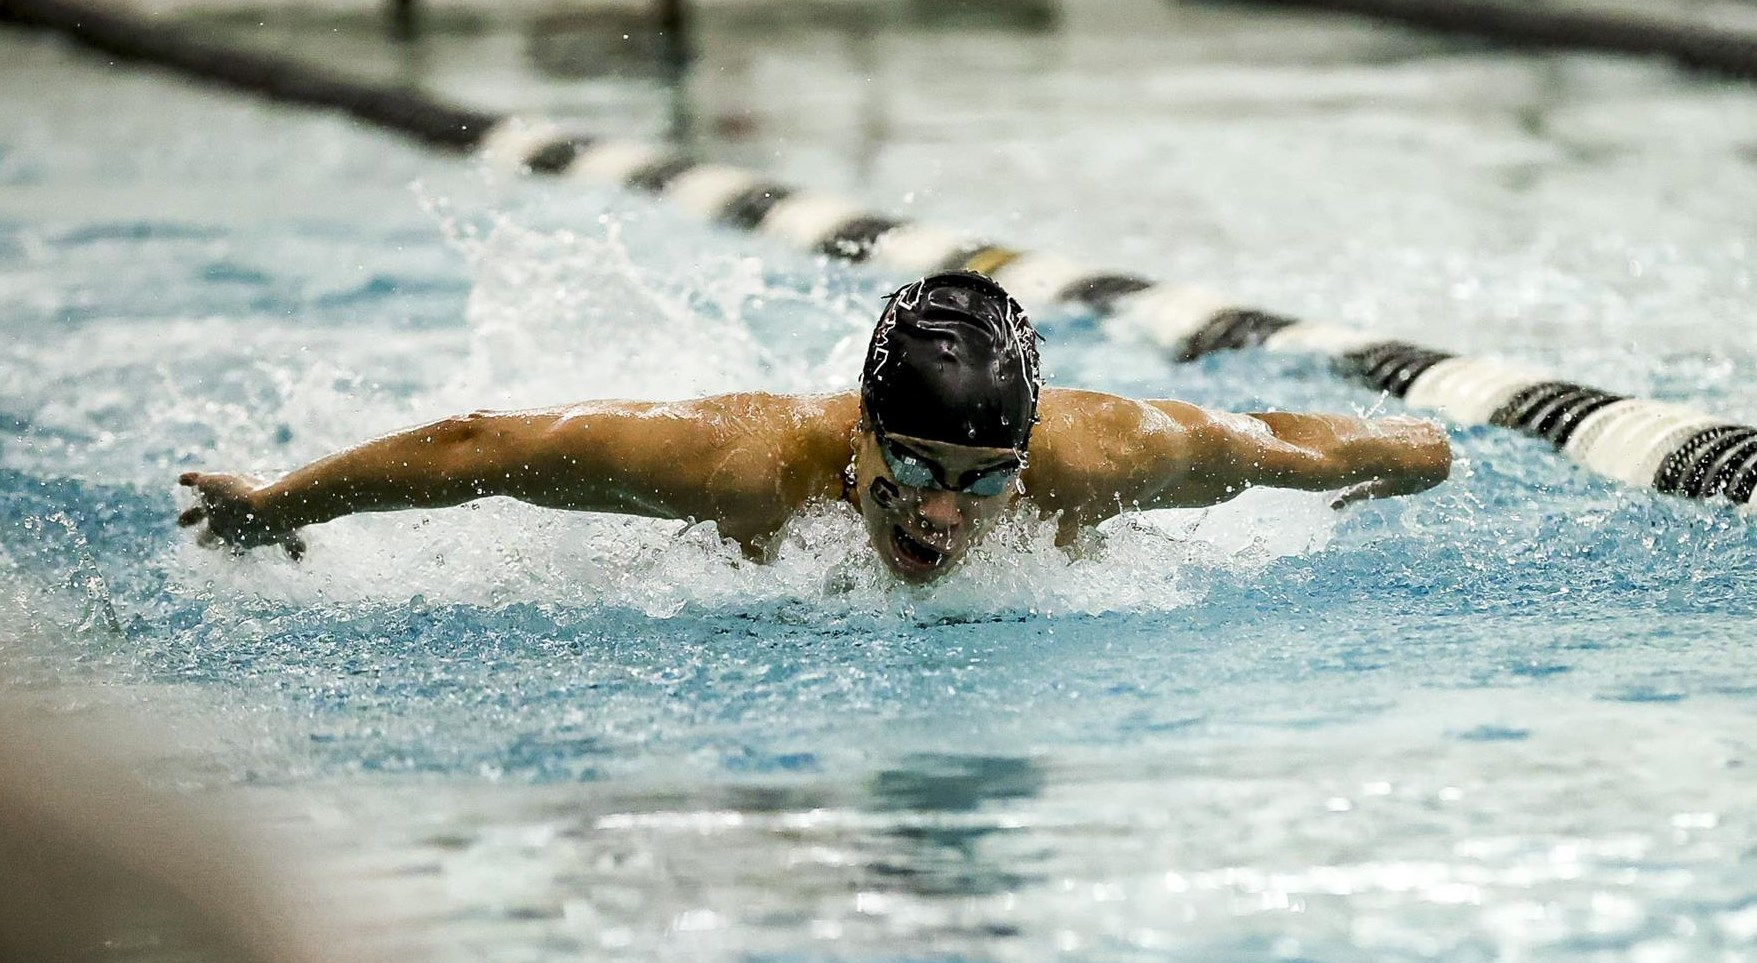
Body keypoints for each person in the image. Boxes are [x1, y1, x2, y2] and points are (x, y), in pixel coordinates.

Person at [179, 271, 1451, 584]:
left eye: (982, 481)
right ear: (860, 429)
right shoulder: (743, 465)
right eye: (914, 466)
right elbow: (483, 448)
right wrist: (279, 502)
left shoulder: (1101, 458)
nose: (940, 513)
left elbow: (1284, 445)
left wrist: (1413, 454)